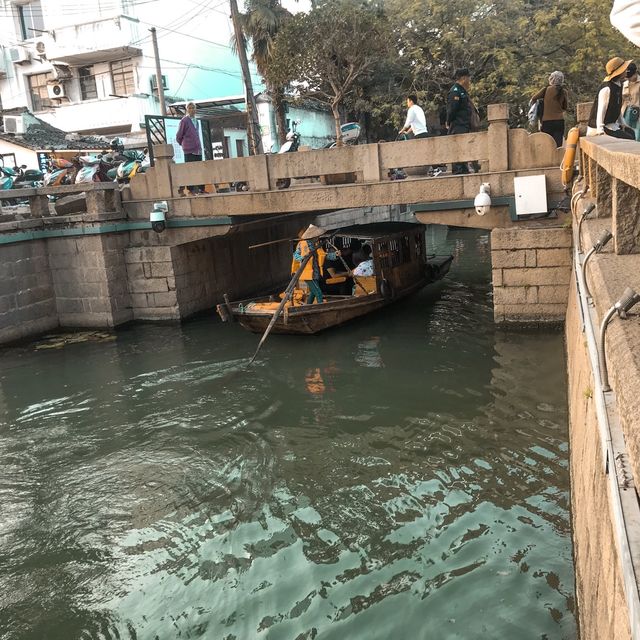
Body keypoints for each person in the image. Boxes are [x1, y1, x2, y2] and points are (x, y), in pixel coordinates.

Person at [587, 57, 636, 139]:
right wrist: (600, 129)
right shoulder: (607, 88)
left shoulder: (618, 84)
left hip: (612, 125)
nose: (626, 70)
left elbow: (617, 107)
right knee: (628, 138)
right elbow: (601, 110)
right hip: (600, 127)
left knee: (631, 133)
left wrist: (623, 123)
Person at [292, 224, 333, 304]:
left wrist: (335, 255)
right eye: (317, 236)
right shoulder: (302, 244)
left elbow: (324, 256)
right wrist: (303, 257)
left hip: (315, 273)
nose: (318, 238)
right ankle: (320, 308)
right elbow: (296, 255)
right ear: (313, 236)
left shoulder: (317, 245)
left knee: (313, 293)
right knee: (318, 293)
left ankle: (308, 307)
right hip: (307, 274)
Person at [530, 71, 569, 147]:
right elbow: (565, 107)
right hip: (559, 121)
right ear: (562, 80)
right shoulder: (564, 92)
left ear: (551, 79)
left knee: (547, 146)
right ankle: (558, 159)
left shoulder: (545, 90)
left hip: (546, 122)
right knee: (558, 146)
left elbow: (533, 98)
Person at [175, 102, 204, 195]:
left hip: (197, 149)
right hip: (189, 149)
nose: (192, 110)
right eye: (190, 108)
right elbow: (179, 135)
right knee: (190, 169)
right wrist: (184, 144)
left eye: (193, 108)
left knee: (199, 169)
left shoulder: (196, 121)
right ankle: (191, 190)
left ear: (195, 109)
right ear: (187, 109)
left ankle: (201, 189)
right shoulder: (184, 120)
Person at [447, 68, 472, 174]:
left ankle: (464, 168)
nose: (469, 81)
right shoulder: (455, 91)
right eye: (468, 78)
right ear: (464, 78)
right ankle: (459, 170)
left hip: (464, 124)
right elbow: (452, 109)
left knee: (464, 148)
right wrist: (448, 121)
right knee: (458, 148)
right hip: (457, 125)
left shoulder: (462, 90)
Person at [622, 62, 640, 140]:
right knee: (628, 137)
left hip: (638, 115)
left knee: (637, 137)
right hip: (626, 115)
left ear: (635, 72)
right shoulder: (625, 84)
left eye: (631, 76)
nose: (628, 78)